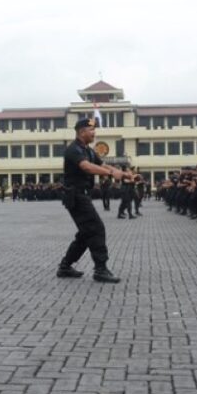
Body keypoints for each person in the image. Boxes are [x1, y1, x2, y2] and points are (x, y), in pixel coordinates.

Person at [58, 118, 131, 283]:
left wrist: (123, 173)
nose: (94, 133)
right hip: (75, 196)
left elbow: (103, 165)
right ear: (82, 131)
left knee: (86, 233)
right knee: (96, 228)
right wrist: (112, 174)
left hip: (82, 195)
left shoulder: (89, 151)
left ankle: (65, 266)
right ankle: (100, 269)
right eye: (91, 130)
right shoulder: (73, 149)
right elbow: (87, 167)